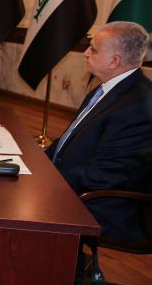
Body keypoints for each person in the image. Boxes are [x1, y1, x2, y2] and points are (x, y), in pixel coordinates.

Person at [46, 21, 151, 242]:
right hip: (76, 186)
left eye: (93, 49)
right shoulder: (109, 87)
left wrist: (48, 180)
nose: (85, 53)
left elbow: (106, 175)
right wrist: (37, 161)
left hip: (99, 205)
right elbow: (71, 138)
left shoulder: (137, 106)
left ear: (115, 61)